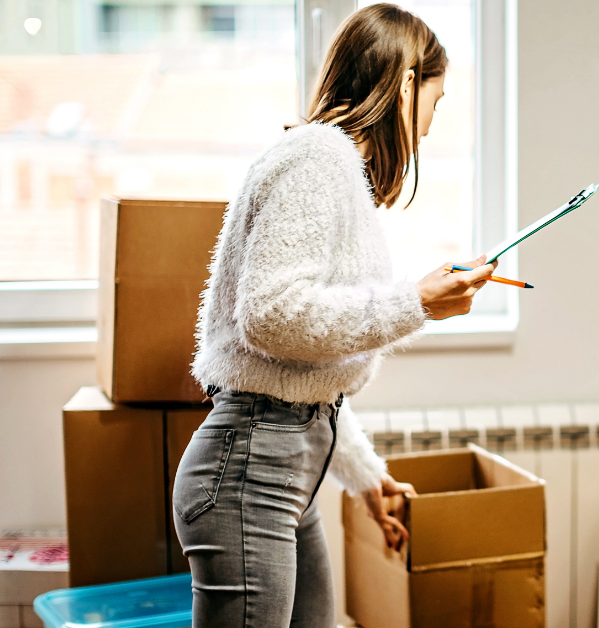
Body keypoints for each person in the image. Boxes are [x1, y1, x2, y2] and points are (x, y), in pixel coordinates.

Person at [171, 5, 494, 627]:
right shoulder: (317, 159)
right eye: (435, 99)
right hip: (249, 476)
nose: (429, 125)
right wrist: (416, 302)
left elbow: (304, 387)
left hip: (280, 473)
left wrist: (368, 481)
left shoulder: (332, 167)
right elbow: (271, 316)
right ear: (404, 84)